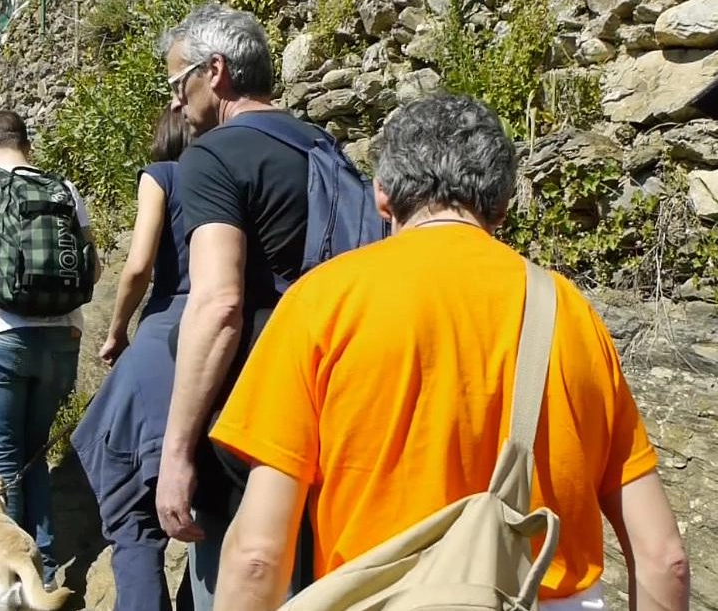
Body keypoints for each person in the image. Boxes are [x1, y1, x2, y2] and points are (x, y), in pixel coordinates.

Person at [206, 94, 691, 611]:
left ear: (382, 196)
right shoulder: (573, 315)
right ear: (502, 205)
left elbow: (258, 555)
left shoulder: (322, 303)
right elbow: (664, 558)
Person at [154, 3, 328, 606]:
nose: (176, 103)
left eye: (180, 83)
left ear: (216, 71)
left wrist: (175, 454)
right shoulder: (323, 148)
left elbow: (218, 305)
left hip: (247, 428)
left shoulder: (213, 157)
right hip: (329, 416)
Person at [0, 109, 102, 589]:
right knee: (34, 453)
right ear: (25, 143)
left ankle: (6, 581)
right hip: (62, 337)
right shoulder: (64, 189)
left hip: (0, 334)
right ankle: (44, 571)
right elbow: (91, 270)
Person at [71, 106, 193, 611]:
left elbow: (139, 263)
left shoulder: (162, 175)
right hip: (243, 345)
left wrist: (117, 330)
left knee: (129, 510)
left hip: (166, 342)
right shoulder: (242, 181)